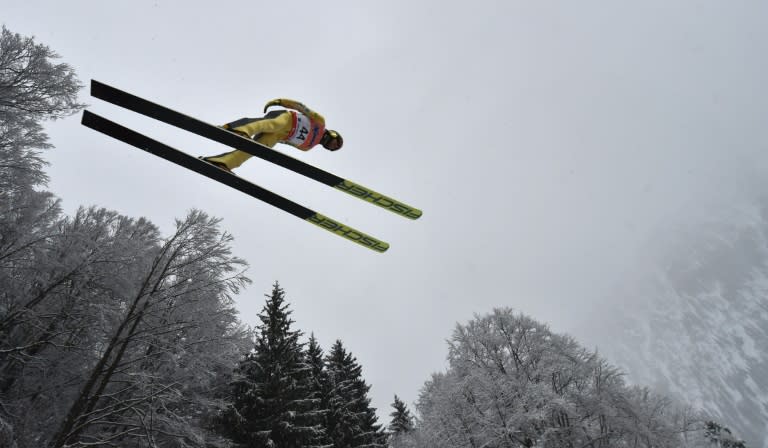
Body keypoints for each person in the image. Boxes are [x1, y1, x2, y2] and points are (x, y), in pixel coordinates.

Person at [200, 98, 343, 172]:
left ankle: (223, 162)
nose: (332, 145)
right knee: (273, 124)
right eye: (335, 143)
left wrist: (270, 141)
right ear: (334, 134)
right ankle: (238, 129)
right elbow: (301, 107)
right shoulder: (320, 122)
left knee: (256, 149)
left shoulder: (307, 147)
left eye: (333, 148)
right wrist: (281, 101)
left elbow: (288, 142)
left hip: (278, 136)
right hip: (286, 118)